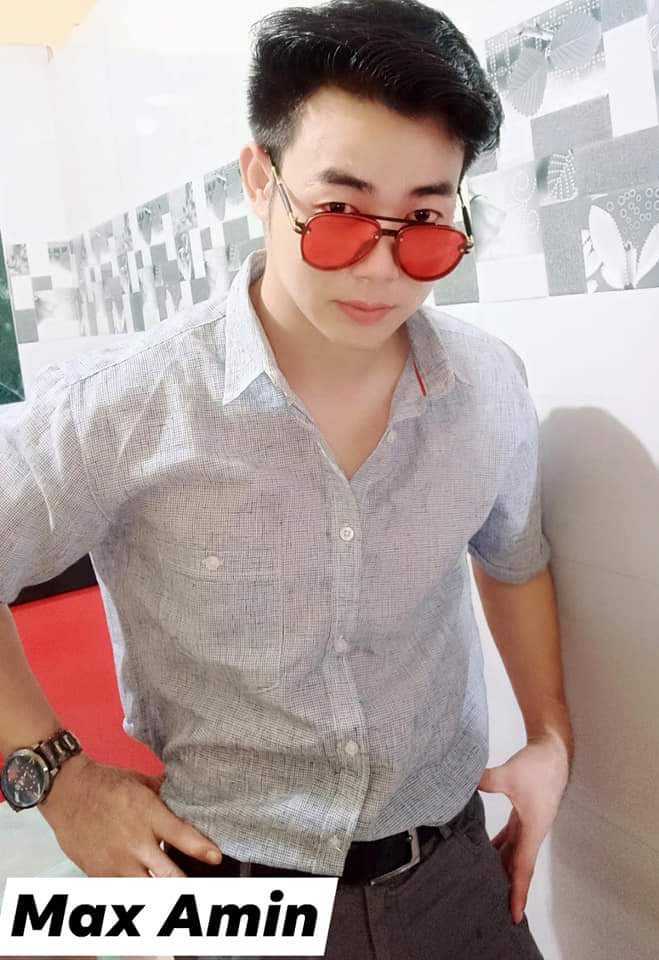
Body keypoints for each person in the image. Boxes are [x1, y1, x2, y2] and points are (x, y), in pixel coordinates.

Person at [0, 1, 574, 956]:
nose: (382, 268)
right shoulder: (130, 404)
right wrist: (54, 779)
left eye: (425, 221)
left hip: (456, 881)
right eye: (340, 213)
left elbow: (514, 556)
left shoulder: (487, 388)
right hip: (219, 889)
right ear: (260, 179)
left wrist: (551, 737)